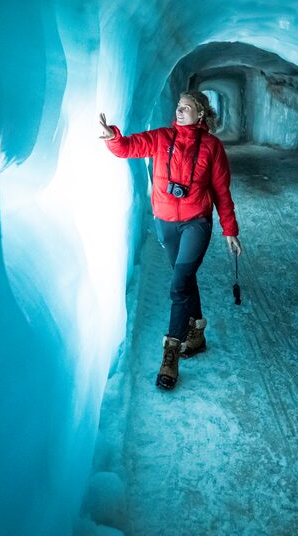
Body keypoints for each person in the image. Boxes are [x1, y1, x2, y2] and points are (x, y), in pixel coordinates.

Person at [99, 91, 243, 391]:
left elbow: (221, 191)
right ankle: (198, 333)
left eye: (187, 108)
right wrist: (113, 136)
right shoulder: (162, 138)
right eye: (179, 107)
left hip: (196, 223)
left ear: (201, 114)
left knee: (179, 283)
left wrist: (230, 230)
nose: (180, 111)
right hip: (165, 223)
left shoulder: (212, 147)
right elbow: (128, 147)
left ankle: (171, 353)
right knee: (185, 280)